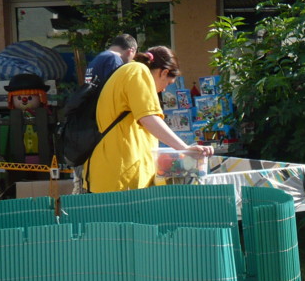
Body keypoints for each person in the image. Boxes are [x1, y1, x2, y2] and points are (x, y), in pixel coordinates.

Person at [83, 46, 213, 193]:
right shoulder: (139, 71)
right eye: (168, 83)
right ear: (164, 72)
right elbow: (148, 117)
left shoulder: (128, 71)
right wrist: (184, 148)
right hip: (120, 177)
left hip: (113, 174)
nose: (164, 89)